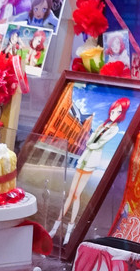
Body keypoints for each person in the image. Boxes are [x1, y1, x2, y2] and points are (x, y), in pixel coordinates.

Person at [54, 97, 131, 243]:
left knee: (77, 194)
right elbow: (91, 140)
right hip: (84, 157)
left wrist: (91, 144)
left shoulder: (114, 129)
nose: (114, 113)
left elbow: (98, 143)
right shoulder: (103, 125)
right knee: (71, 193)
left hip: (92, 159)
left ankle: (70, 230)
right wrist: (91, 143)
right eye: (113, 110)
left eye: (118, 111)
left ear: (122, 114)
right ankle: (56, 225)